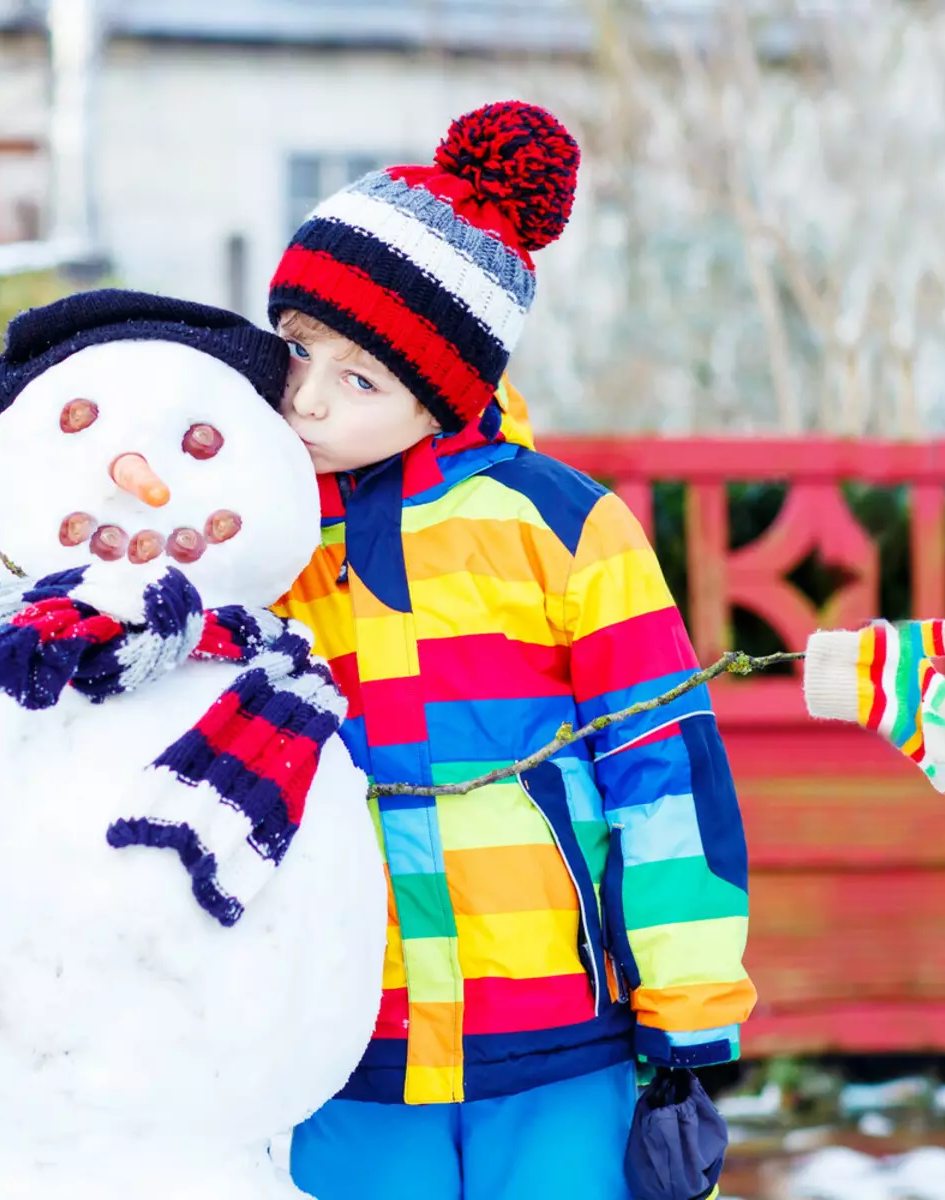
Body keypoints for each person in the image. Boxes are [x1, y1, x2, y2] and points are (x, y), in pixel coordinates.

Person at [269, 99, 757, 1200]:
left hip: (553, 1027)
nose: (307, 401)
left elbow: (661, 766)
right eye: (297, 351)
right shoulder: (264, 534)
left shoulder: (563, 525)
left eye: (361, 379)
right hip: (347, 1029)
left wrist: (685, 1000)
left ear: (444, 389)